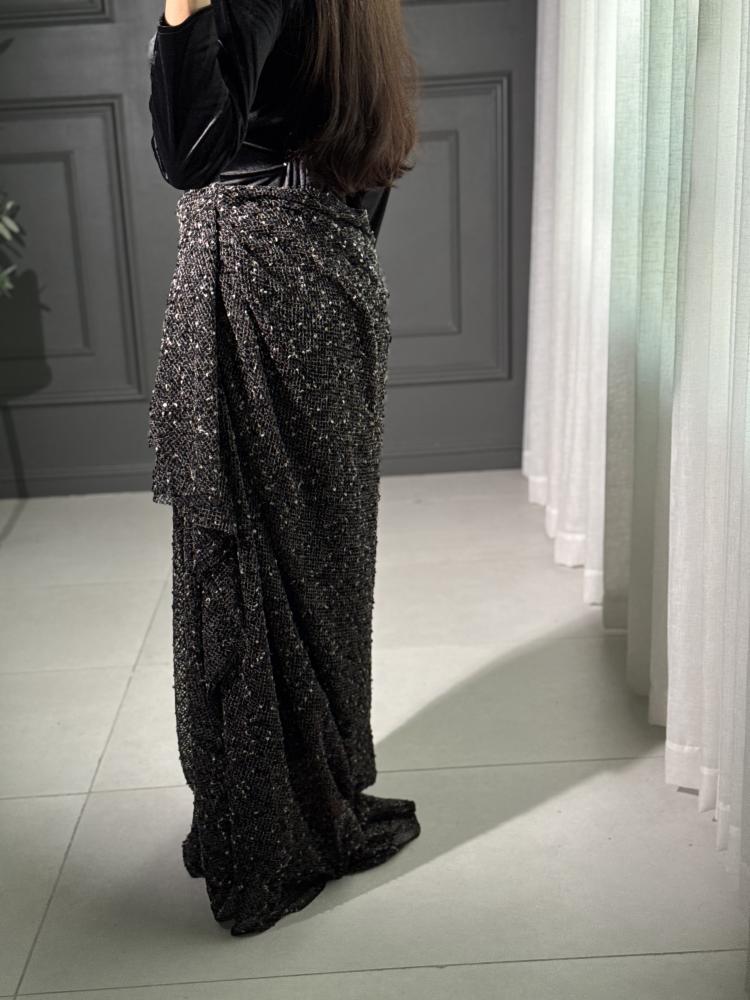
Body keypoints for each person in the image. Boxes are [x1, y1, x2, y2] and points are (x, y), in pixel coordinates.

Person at [146, 0, 423, 937]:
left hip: (256, 276)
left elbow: (190, 156)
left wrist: (182, 8)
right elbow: (368, 156)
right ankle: (316, 795)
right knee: (325, 569)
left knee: (254, 566)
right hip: (334, 276)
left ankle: (268, 833)